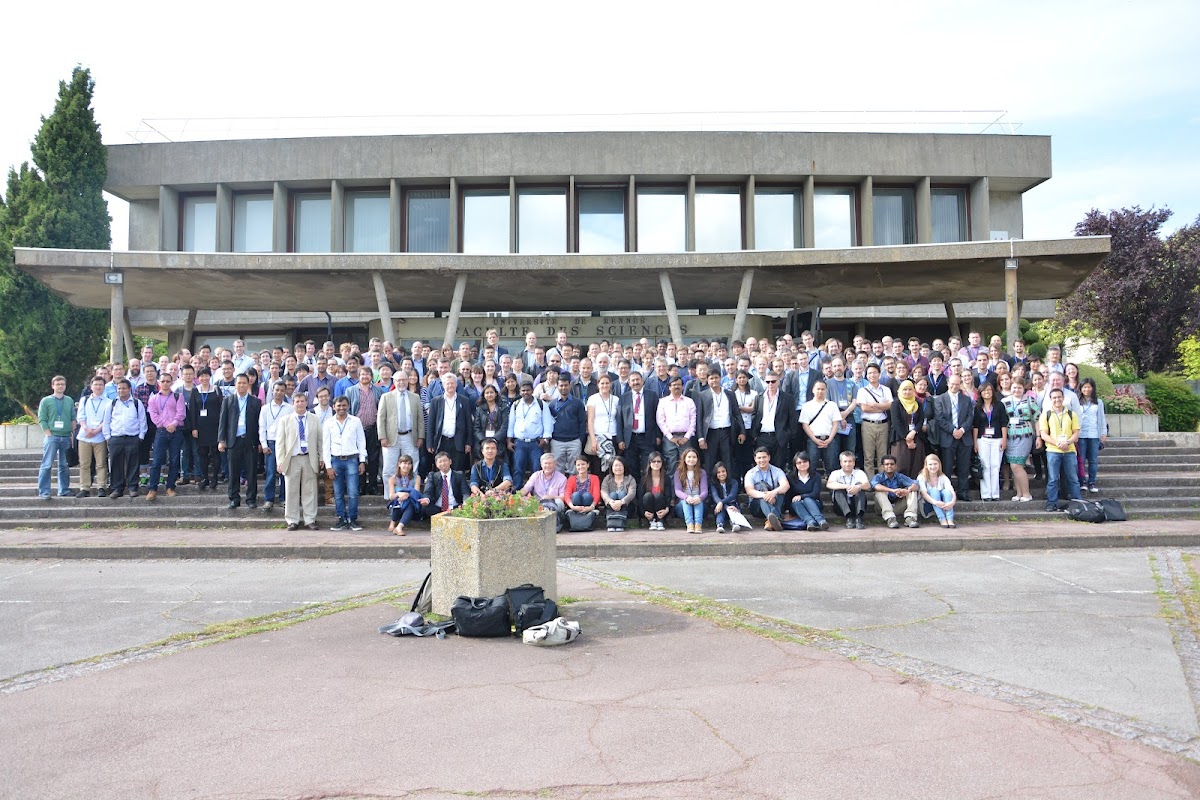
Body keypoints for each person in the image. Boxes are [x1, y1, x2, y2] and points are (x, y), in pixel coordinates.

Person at [275, 391, 322, 531]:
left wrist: (322, 457)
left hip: (309, 458)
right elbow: (280, 442)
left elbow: (320, 440)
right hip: (292, 459)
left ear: (306, 403)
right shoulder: (285, 420)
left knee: (310, 491)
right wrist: (280, 461)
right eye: (297, 401)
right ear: (293, 404)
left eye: (302, 401)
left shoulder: (314, 419)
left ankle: (310, 519)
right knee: (291, 491)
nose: (300, 404)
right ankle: (292, 520)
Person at [217, 373, 263, 509]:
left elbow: (259, 423)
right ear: (235, 384)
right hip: (233, 440)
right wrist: (221, 440)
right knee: (233, 471)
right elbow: (222, 421)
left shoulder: (255, 401)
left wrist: (260, 442)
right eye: (239, 383)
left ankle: (251, 499)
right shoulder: (228, 400)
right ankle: (234, 498)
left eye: (244, 383)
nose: (241, 385)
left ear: (248, 384)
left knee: (251, 471)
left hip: (250, 440)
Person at [322, 396, 367, 531]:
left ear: (348, 406)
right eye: (339, 406)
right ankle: (341, 518)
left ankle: (352, 519)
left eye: (344, 405)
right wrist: (328, 466)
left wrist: (362, 461)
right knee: (338, 492)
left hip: (352, 459)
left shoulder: (355, 421)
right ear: (334, 406)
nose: (341, 408)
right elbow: (326, 445)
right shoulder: (328, 423)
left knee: (353, 492)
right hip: (335, 460)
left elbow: (361, 442)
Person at [377, 370, 425, 485]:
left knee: (412, 466)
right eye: (399, 380)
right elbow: (381, 418)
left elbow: (420, 419)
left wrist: (420, 437)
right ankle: (390, 496)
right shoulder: (386, 397)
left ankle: (411, 494)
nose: (401, 383)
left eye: (404, 380)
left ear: (408, 381)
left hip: (410, 436)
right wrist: (382, 436)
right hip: (391, 437)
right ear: (394, 381)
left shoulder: (415, 397)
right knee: (389, 468)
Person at [933, 374, 975, 502]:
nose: (954, 386)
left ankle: (963, 492)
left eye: (957, 384)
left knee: (963, 467)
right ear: (947, 383)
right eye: (952, 383)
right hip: (947, 437)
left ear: (960, 384)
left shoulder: (966, 400)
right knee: (947, 467)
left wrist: (962, 430)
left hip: (964, 437)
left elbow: (970, 417)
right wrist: (953, 430)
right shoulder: (940, 399)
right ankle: (947, 493)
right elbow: (939, 418)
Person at [1039, 387, 1082, 512]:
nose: (1057, 400)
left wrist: (1067, 442)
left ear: (1063, 398)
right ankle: (1052, 503)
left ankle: (1077, 502)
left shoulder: (1071, 414)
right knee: (1053, 478)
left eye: (1059, 397)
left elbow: (1076, 432)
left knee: (1073, 478)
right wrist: (1057, 443)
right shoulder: (1046, 415)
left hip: (1069, 450)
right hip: (1053, 450)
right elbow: (1044, 434)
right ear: (1050, 399)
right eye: (1054, 398)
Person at [103, 379, 147, 498]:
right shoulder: (111, 404)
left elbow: (142, 421)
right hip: (116, 438)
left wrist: (140, 437)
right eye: (119, 388)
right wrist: (108, 437)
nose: (121, 390)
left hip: (133, 437)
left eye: (124, 388)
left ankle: (133, 487)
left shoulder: (137, 403)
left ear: (129, 389)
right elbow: (106, 422)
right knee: (116, 464)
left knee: (133, 463)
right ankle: (117, 488)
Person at [146, 374, 187, 501]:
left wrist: (173, 424)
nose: (165, 383)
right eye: (162, 381)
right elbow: (154, 415)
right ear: (159, 382)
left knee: (174, 461)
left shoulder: (178, 396)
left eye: (167, 381)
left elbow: (181, 413)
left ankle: (170, 487)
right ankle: (153, 489)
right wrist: (166, 425)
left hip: (176, 431)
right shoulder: (153, 399)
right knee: (157, 461)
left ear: (171, 382)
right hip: (162, 431)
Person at [36, 376, 76, 500]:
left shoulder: (69, 400)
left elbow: (73, 418)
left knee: (64, 465)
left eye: (62, 384)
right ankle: (44, 491)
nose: (60, 386)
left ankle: (63, 489)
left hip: (65, 437)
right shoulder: (46, 401)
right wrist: (48, 434)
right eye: (57, 384)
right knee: (47, 464)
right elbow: (42, 419)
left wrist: (72, 434)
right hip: (52, 436)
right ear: (52, 386)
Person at [426, 373, 475, 472]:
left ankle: (454, 488)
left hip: (458, 441)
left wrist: (468, 443)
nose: (450, 386)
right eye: (447, 384)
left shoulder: (464, 401)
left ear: (456, 384)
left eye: (452, 383)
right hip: (441, 441)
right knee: (441, 470)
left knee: (457, 471)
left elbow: (469, 424)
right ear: (443, 385)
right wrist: (429, 443)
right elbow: (431, 423)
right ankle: (443, 488)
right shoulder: (436, 401)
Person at [617, 370, 659, 481]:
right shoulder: (623, 398)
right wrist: (620, 439)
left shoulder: (652, 395)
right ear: (629, 383)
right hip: (630, 439)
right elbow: (620, 420)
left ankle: (645, 493)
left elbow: (658, 417)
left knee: (647, 467)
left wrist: (658, 436)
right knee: (632, 467)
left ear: (642, 381)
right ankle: (635, 495)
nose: (635, 382)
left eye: (638, 380)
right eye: (633, 380)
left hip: (647, 437)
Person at [972, 381, 1009, 502]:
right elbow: (976, 426)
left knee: (995, 465)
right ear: (980, 393)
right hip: (983, 440)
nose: (987, 392)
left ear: (993, 391)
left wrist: (1004, 439)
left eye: (989, 390)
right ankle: (986, 493)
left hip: (997, 438)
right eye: (984, 391)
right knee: (985, 466)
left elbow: (1004, 423)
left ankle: (995, 493)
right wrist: (975, 442)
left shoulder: (999, 405)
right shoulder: (978, 407)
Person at [1002, 378, 1038, 502]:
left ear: (1023, 389)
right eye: (1014, 387)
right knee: (1014, 466)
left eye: (1019, 388)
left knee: (1016, 465)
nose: (1016, 390)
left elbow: (1037, 418)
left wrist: (1038, 436)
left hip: (1024, 434)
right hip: (1010, 434)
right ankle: (1019, 493)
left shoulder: (1030, 400)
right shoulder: (1004, 401)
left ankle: (1027, 494)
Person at [856, 364, 893, 481]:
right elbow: (865, 408)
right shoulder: (862, 390)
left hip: (883, 424)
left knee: (882, 455)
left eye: (874, 372)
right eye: (870, 373)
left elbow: (889, 405)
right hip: (868, 425)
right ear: (866, 375)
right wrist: (882, 406)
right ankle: (871, 482)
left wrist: (876, 405)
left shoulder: (885, 389)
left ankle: (883, 481)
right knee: (869, 456)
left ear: (879, 374)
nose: (872, 375)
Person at [798, 379, 842, 478]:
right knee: (811, 466)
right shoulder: (807, 406)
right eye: (818, 389)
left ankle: (833, 490)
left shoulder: (832, 405)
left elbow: (835, 424)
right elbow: (805, 425)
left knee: (831, 466)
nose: (820, 391)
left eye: (822, 389)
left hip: (830, 439)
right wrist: (815, 440)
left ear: (826, 390)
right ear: (813, 390)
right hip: (813, 440)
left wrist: (830, 439)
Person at [75, 376, 110, 498]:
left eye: (100, 384)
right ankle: (84, 488)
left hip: (100, 436)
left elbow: (107, 419)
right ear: (91, 387)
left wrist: (96, 431)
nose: (98, 387)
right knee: (84, 464)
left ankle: (101, 487)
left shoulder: (108, 402)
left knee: (101, 464)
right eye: (96, 384)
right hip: (84, 436)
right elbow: (80, 417)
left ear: (104, 386)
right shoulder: (84, 400)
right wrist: (86, 428)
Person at [656, 375, 696, 477]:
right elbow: (660, 421)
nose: (676, 387)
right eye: (674, 385)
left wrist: (686, 437)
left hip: (686, 438)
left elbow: (693, 420)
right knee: (671, 465)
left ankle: (685, 490)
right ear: (669, 387)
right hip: (669, 439)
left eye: (679, 384)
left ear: (683, 387)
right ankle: (672, 492)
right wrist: (670, 437)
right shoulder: (663, 402)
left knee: (687, 465)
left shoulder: (689, 401)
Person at [751, 372, 793, 468]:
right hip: (762, 437)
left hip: (779, 438)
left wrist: (786, 435)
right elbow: (754, 416)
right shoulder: (759, 398)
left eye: (773, 381)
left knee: (778, 467)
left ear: (778, 382)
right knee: (763, 466)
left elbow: (792, 419)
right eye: (768, 381)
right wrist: (755, 436)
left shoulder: (787, 398)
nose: (770, 384)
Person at [548, 372, 586, 475]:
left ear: (570, 385)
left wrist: (580, 439)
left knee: (574, 469)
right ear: (557, 386)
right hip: (557, 441)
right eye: (561, 385)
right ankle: (560, 490)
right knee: (557, 469)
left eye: (566, 385)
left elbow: (582, 422)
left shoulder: (577, 403)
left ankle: (573, 490)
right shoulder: (552, 404)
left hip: (574, 441)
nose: (563, 388)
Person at [744, 446, 788, 531]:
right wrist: (765, 495)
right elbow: (749, 490)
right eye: (759, 458)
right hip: (757, 506)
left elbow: (785, 486)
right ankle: (777, 519)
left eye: (764, 457)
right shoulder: (750, 473)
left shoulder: (777, 471)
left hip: (774, 502)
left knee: (781, 493)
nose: (762, 460)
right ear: (755, 459)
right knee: (762, 497)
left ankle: (770, 522)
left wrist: (773, 493)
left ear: (769, 457)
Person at [1077, 378, 1109, 493]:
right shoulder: (1077, 401)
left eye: (1089, 387)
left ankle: (1091, 482)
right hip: (1080, 434)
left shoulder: (1098, 402)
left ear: (1093, 388)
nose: (1087, 389)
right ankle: (1082, 481)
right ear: (1080, 388)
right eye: (1084, 387)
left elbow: (1102, 418)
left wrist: (1103, 433)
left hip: (1094, 434)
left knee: (1093, 460)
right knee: (1080, 460)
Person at [520, 452, 567, 529]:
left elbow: (563, 497)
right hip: (538, 503)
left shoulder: (562, 478)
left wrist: (551, 497)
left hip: (553, 504)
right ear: (541, 464)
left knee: (559, 502)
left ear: (555, 464)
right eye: (545, 463)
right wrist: (518, 495)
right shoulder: (536, 475)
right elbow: (526, 488)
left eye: (550, 463)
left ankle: (555, 523)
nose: (547, 466)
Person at [871, 454, 920, 529]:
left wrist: (907, 490)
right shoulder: (878, 477)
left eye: (892, 464)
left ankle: (910, 518)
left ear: (895, 466)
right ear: (882, 467)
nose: (889, 466)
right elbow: (875, 486)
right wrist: (892, 490)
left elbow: (916, 484)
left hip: (897, 506)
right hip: (881, 508)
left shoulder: (899, 476)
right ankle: (890, 519)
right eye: (887, 464)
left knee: (912, 491)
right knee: (879, 491)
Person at [826, 450, 870, 529]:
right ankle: (848, 518)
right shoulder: (835, 473)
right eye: (845, 461)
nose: (847, 464)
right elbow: (829, 484)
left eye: (850, 461)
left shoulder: (860, 472)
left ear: (854, 462)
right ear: (841, 463)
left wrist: (858, 487)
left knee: (860, 488)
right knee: (838, 490)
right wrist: (845, 486)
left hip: (856, 504)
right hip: (841, 507)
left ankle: (859, 518)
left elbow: (867, 485)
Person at [786, 452, 828, 531]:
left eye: (804, 462)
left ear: (809, 462)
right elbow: (788, 496)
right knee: (796, 502)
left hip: (814, 503)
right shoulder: (790, 477)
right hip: (797, 506)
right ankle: (810, 522)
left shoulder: (816, 476)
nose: (802, 464)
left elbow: (815, 494)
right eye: (799, 462)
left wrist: (801, 496)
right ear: (795, 465)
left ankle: (821, 521)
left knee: (807, 499)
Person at [423, 451, 469, 518]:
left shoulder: (459, 475)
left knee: (466, 507)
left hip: (455, 507)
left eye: (445, 461)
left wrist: (466, 501)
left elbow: (465, 491)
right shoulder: (433, 476)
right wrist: (427, 499)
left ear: (450, 461)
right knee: (425, 507)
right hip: (437, 508)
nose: (443, 463)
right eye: (440, 461)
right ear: (436, 464)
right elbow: (428, 491)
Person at [673, 446, 708, 534]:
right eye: (689, 457)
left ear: (697, 459)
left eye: (694, 457)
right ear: (684, 458)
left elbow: (705, 491)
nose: (691, 459)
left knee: (697, 498)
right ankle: (689, 525)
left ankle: (698, 525)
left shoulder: (702, 472)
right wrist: (686, 497)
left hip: (699, 505)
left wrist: (699, 498)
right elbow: (677, 491)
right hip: (683, 506)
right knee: (685, 501)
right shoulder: (678, 473)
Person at [386, 455, 423, 535]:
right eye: (404, 463)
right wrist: (399, 494)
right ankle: (394, 522)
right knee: (398, 499)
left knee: (409, 501)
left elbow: (416, 494)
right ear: (399, 464)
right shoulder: (392, 479)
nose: (407, 466)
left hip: (412, 505)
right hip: (398, 504)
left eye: (409, 464)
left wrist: (407, 495)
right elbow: (391, 496)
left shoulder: (416, 478)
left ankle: (398, 527)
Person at [918, 453, 957, 528]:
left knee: (946, 492)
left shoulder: (943, 477)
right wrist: (935, 502)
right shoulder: (921, 477)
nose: (933, 467)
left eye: (935, 464)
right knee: (934, 490)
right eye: (930, 464)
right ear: (926, 466)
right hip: (928, 504)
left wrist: (952, 502)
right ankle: (942, 519)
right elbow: (923, 494)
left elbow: (952, 491)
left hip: (943, 505)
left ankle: (949, 519)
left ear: (939, 465)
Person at [601, 456, 637, 532]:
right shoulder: (607, 479)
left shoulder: (630, 479)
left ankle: (619, 524)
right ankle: (612, 523)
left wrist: (621, 502)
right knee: (613, 495)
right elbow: (604, 492)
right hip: (611, 506)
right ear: (611, 467)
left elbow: (631, 493)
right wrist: (611, 502)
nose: (618, 468)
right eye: (616, 465)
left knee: (622, 494)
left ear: (624, 466)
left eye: (620, 465)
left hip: (627, 507)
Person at [563, 456, 600, 531]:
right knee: (576, 495)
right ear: (576, 466)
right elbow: (567, 494)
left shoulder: (594, 478)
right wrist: (572, 506)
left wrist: (591, 507)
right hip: (575, 506)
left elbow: (597, 494)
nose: (581, 467)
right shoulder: (571, 479)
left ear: (588, 465)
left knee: (586, 495)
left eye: (583, 464)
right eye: (578, 465)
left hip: (589, 505)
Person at [709, 461, 746, 533]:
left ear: (727, 472)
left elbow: (732, 496)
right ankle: (720, 525)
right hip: (719, 506)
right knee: (720, 509)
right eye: (718, 472)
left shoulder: (734, 482)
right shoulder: (713, 484)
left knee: (733, 508)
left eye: (723, 471)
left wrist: (721, 502)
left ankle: (734, 524)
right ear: (715, 474)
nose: (721, 474)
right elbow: (715, 496)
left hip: (732, 504)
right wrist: (721, 504)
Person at [640, 452, 673, 531]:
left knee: (658, 495)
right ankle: (652, 521)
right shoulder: (644, 479)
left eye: (659, 461)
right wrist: (644, 512)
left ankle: (660, 521)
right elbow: (640, 497)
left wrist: (667, 509)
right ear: (649, 463)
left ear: (662, 463)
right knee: (648, 495)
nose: (656, 463)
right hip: (648, 509)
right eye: (653, 461)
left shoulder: (666, 478)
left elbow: (668, 496)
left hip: (662, 508)